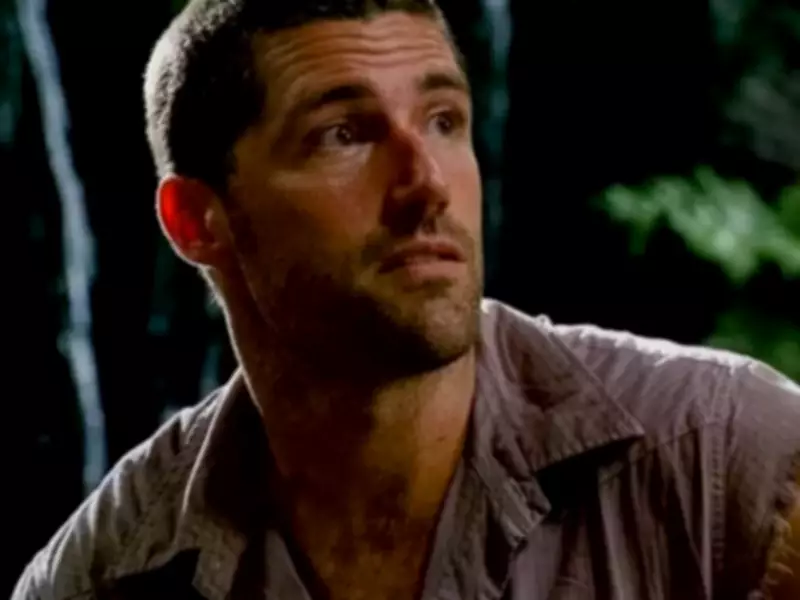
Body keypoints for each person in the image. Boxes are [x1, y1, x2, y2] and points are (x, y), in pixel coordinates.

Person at [13, 0, 800, 598]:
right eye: (343, 134)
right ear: (197, 220)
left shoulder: (727, 460)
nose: (427, 185)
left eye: (444, 121)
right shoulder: (108, 571)